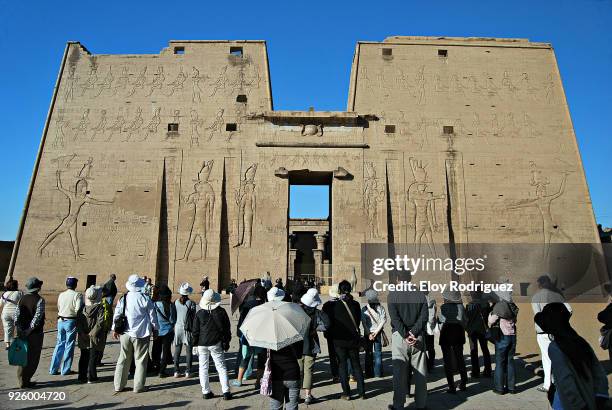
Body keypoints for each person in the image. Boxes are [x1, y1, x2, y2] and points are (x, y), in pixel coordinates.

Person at [535, 303, 609, 410]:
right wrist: (601, 397)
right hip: (590, 398)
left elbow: (565, 381)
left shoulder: (555, 347)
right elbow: (598, 372)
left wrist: (579, 406)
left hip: (567, 404)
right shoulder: (580, 341)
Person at [387, 271, 428, 410]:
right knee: (420, 373)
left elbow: (395, 319)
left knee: (399, 374)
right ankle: (421, 404)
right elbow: (424, 317)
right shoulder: (420, 294)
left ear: (398, 280)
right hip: (418, 337)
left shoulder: (392, 295)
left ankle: (398, 405)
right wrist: (413, 332)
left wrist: (405, 334)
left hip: (400, 337)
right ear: (410, 279)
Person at [112, 274, 159, 393]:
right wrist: (155, 329)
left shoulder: (124, 298)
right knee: (141, 360)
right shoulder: (145, 298)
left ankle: (118, 385)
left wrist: (114, 329)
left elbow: (117, 314)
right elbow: (152, 317)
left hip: (125, 333)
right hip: (141, 333)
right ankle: (138, 387)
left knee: (123, 359)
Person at [532, 274, 572, 393]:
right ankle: (559, 382)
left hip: (543, 332)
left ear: (539, 284)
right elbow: (569, 310)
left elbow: (537, 315)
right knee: (559, 356)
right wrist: (561, 322)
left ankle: (547, 384)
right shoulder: (557, 295)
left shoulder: (536, 297)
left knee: (546, 357)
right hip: (558, 330)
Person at [326, 280, 365, 400]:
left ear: (339, 291)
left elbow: (327, 323)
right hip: (353, 340)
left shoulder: (330, 306)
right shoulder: (356, 304)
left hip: (339, 341)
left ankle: (346, 393)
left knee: (342, 365)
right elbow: (357, 322)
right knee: (356, 365)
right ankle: (362, 392)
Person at [193, 289, 232, 400]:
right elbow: (226, 328)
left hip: (202, 343)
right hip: (216, 342)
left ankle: (206, 391)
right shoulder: (221, 312)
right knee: (221, 367)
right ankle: (226, 391)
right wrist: (226, 341)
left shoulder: (200, 313)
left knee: (203, 368)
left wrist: (194, 344)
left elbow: (195, 331)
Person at [298, 288, 330, 404]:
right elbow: (327, 324)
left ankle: (296, 394)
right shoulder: (317, 313)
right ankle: (307, 395)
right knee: (309, 370)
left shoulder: (297, 310)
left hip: (297, 345)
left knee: (298, 370)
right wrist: (316, 329)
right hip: (311, 345)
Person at [14, 277, 45, 388]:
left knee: (22, 357)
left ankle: (21, 379)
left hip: (21, 331)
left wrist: (19, 329)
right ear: (38, 287)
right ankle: (26, 380)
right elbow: (37, 318)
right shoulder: (39, 300)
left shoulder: (22, 298)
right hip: (34, 334)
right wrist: (28, 331)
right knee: (33, 357)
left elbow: (16, 315)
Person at [50, 276, 83, 375]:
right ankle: (65, 369)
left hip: (61, 320)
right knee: (69, 345)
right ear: (75, 285)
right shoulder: (77, 295)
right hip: (71, 321)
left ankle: (53, 368)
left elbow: (59, 307)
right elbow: (78, 310)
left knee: (59, 344)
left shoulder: (61, 294)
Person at [233, 285, 267, 383]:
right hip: (261, 335)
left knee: (246, 356)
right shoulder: (265, 306)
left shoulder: (247, 305)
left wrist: (240, 334)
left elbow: (242, 322)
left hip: (248, 335)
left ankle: (239, 380)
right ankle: (258, 381)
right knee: (261, 359)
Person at [489, 291, 519, 394]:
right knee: (510, 362)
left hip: (502, 336)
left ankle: (499, 388)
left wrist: (490, 314)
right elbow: (515, 320)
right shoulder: (512, 305)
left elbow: (492, 320)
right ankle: (512, 387)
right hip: (512, 335)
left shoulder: (500, 306)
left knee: (500, 363)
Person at [439, 291, 468, 394]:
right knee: (460, 358)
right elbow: (465, 320)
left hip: (446, 332)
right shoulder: (461, 306)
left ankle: (451, 386)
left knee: (447, 361)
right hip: (458, 331)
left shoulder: (443, 307)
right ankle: (463, 382)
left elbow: (441, 320)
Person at [76, 286, 105, 383]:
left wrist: (82, 333)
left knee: (83, 355)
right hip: (94, 336)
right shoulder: (100, 308)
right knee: (92, 356)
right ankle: (91, 377)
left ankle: (81, 376)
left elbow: (78, 322)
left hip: (83, 335)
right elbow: (100, 322)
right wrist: (92, 334)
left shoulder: (82, 308)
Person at [151, 285, 176, 377]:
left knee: (156, 350)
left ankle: (156, 367)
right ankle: (162, 371)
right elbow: (173, 320)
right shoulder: (171, 305)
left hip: (157, 330)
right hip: (168, 331)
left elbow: (152, 318)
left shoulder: (155, 305)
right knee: (165, 351)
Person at [361, 289, 387, 378]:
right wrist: (376, 333)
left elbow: (364, 323)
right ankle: (378, 373)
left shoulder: (364, 309)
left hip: (368, 334)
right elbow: (383, 321)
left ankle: (368, 373)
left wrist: (370, 334)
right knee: (378, 353)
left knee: (368, 353)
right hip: (378, 333)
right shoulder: (381, 308)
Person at [465, 292, 492, 378]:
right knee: (485, 350)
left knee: (473, 351)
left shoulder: (469, 305)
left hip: (472, 331)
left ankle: (475, 371)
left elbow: (466, 319)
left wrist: (467, 329)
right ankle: (488, 370)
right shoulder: (486, 304)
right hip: (483, 330)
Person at [269, 341, 302, 410]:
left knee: (275, 407)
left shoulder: (269, 338)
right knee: (292, 407)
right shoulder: (294, 334)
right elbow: (299, 355)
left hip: (276, 375)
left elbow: (263, 357)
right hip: (293, 373)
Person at [174, 282, 196, 377]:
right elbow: (193, 316)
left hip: (177, 328)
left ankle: (176, 370)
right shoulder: (191, 303)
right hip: (187, 328)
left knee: (177, 350)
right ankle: (188, 370)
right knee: (188, 351)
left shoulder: (175, 302)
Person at [322, 284, 340, 382]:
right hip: (341, 333)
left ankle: (335, 375)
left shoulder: (326, 305)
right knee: (342, 355)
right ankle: (343, 372)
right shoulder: (342, 304)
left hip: (330, 333)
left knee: (332, 354)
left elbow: (323, 320)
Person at [1, 279, 22, 349]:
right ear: (16, 286)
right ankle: (18, 343)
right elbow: (22, 303)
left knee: (7, 328)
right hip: (16, 313)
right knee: (19, 328)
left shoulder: (4, 294)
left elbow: (1, 304)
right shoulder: (19, 293)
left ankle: (8, 344)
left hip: (5, 313)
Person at [95, 286, 114, 366]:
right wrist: (109, 326)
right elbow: (109, 315)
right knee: (101, 345)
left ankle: (94, 361)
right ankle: (98, 360)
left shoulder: (93, 301)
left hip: (95, 327)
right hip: (103, 327)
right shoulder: (105, 302)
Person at [424, 290, 437, 371]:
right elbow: (435, 312)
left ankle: (427, 363)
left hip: (423, 326)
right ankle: (431, 365)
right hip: (431, 327)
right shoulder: (433, 300)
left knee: (422, 347)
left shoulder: (419, 299)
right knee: (431, 347)